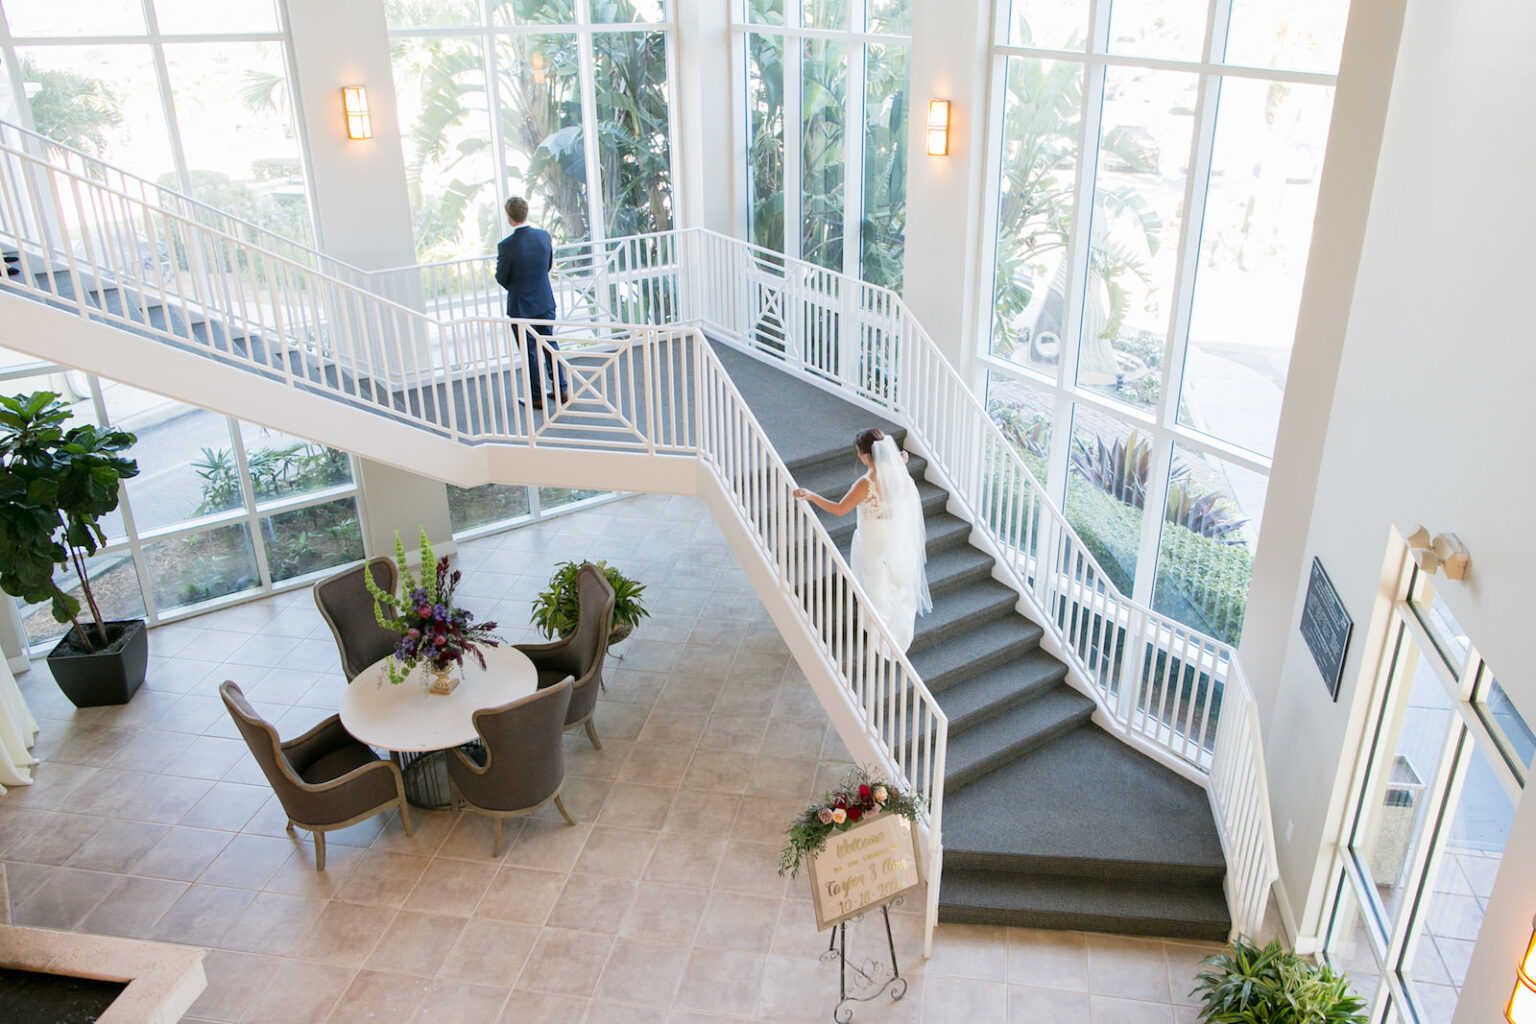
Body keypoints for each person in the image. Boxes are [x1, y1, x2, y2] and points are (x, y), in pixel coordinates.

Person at [793, 428, 931, 652]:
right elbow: (900, 461)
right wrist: (900, 460)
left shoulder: (865, 483)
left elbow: (839, 509)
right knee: (891, 579)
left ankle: (883, 632)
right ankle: (893, 622)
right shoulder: (897, 473)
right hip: (892, 535)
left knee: (874, 583)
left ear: (867, 455)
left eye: (859, 452)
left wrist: (811, 495)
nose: (858, 456)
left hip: (872, 539)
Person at [495, 196, 566, 409]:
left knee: (530, 351)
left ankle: (536, 397)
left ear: (509, 217)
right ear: (526, 213)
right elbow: (548, 266)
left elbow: (501, 276)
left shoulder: (506, 246)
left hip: (521, 306)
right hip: (544, 301)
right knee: (549, 344)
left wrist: (517, 286)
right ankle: (560, 388)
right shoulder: (544, 237)